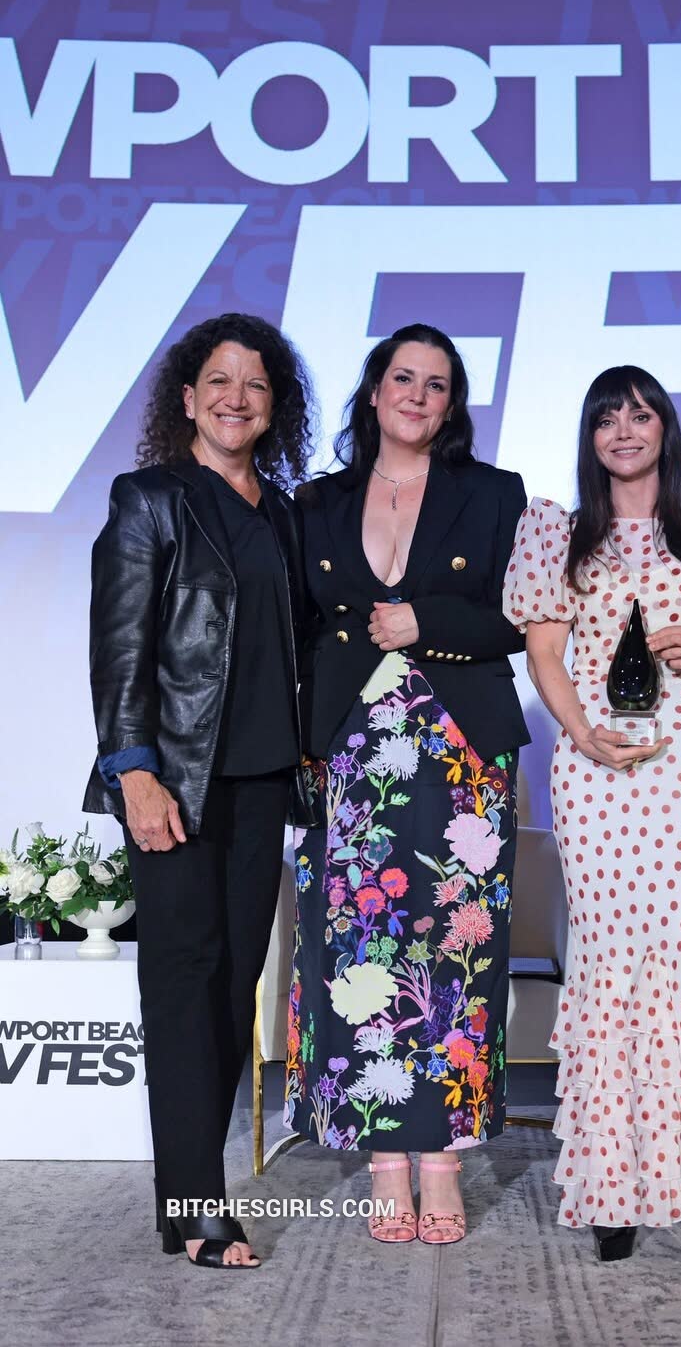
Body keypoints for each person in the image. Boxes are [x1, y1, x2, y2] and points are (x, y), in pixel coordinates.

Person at [503, 366, 681, 1272]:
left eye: (640, 415)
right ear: (590, 437)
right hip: (593, 768)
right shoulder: (556, 533)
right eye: (606, 418)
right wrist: (582, 734)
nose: (624, 431)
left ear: (665, 430)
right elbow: (544, 653)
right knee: (607, 958)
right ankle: (611, 1188)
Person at [285, 323, 529, 1245]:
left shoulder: (494, 494)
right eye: (403, 377)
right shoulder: (316, 501)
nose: (418, 395)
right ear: (375, 390)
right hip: (348, 745)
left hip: (458, 744)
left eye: (437, 383)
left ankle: (445, 1158)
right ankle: (386, 1158)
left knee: (457, 948)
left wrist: (427, 621)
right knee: (358, 947)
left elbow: (522, 619)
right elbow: (299, 630)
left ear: (452, 403)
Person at [84, 312, 315, 1268]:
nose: (235, 397)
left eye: (255, 384)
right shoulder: (149, 500)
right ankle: (198, 1205)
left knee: (228, 995)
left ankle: (182, 1202)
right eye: (218, 380)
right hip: (173, 784)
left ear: (274, 407)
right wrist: (133, 770)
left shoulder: (284, 515)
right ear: (187, 398)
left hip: (262, 784)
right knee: (182, 987)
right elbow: (120, 650)